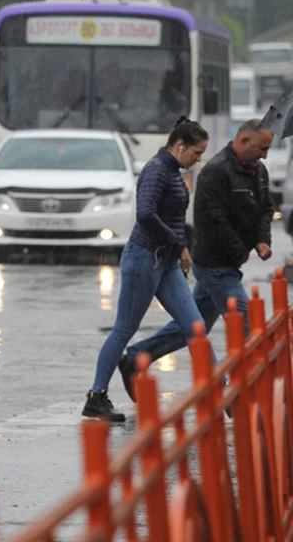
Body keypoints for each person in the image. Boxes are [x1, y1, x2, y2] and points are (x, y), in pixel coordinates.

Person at [118, 119, 274, 398]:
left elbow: (266, 209)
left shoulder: (258, 171)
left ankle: (137, 356)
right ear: (245, 141)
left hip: (229, 262)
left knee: (191, 326)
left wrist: (263, 239)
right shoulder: (216, 171)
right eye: (262, 148)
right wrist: (238, 248)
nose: (265, 155)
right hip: (214, 263)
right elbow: (210, 220)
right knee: (247, 321)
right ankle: (244, 391)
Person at [83, 117, 209, 422]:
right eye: (196, 153)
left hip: (164, 262)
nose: (197, 160)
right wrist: (179, 244)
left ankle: (213, 390)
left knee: (195, 327)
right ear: (180, 145)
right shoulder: (156, 169)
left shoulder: (172, 171)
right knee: (124, 329)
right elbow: (146, 214)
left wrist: (179, 248)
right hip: (143, 258)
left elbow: (172, 216)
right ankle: (96, 396)